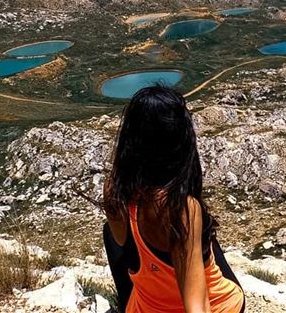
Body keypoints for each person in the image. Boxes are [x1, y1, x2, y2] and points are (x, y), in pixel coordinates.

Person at [102, 86, 245, 313]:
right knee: (205, 235)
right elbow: (196, 308)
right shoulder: (182, 208)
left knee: (111, 233)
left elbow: (124, 245)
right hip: (220, 306)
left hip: (144, 308)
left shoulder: (115, 190)